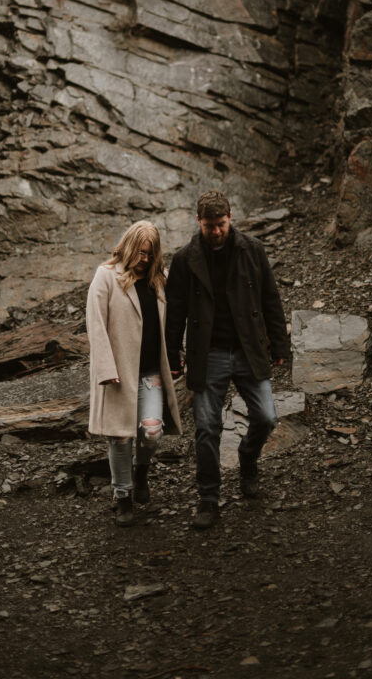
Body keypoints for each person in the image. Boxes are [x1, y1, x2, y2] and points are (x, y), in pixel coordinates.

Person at [166, 190, 289, 529]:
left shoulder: (252, 250)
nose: (216, 231)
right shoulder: (183, 260)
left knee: (266, 417)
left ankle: (247, 461)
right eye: (209, 226)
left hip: (249, 350)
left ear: (230, 218)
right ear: (198, 222)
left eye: (220, 224)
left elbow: (270, 299)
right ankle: (208, 499)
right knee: (206, 428)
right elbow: (174, 313)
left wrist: (280, 346)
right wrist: (172, 356)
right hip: (209, 354)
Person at [86, 220, 182, 527]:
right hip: (119, 373)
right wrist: (105, 369)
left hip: (151, 371)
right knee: (120, 438)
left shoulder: (160, 280)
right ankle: (122, 496)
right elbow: (96, 325)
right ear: (129, 248)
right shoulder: (106, 277)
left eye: (150, 255)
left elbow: (173, 322)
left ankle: (141, 472)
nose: (144, 259)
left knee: (151, 433)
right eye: (140, 253)